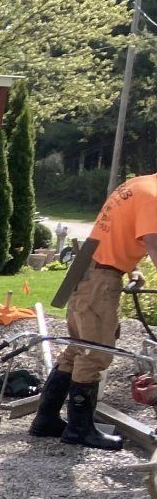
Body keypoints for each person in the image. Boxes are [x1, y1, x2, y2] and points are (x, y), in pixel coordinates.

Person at [29, 175, 156, 450]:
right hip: (100, 280)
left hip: (89, 270)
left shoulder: (137, 186)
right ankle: (79, 429)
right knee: (95, 352)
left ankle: (46, 419)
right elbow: (154, 243)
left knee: (77, 349)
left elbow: (115, 235)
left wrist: (132, 269)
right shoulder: (153, 197)